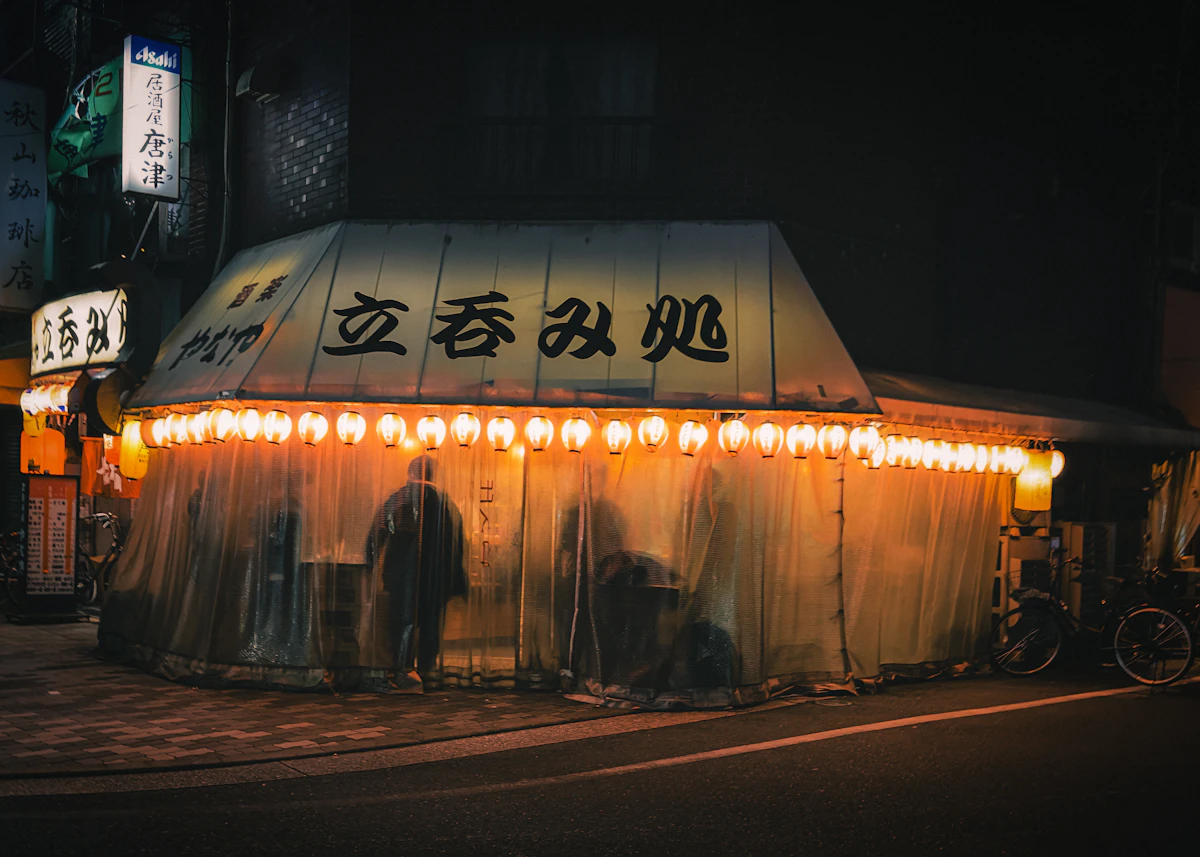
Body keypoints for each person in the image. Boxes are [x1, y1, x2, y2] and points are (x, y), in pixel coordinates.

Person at [366, 455, 466, 682]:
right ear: (433, 474)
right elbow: (455, 543)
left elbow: (378, 531)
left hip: (400, 574)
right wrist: (456, 580)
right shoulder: (444, 503)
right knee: (431, 624)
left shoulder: (398, 498)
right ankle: (427, 669)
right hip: (437, 576)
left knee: (400, 621)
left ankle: (401, 666)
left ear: (410, 473)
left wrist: (370, 561)